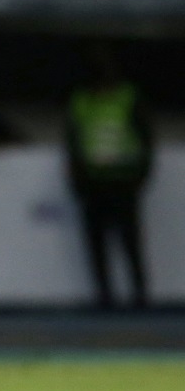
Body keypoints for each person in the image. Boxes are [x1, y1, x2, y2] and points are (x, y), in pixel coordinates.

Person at [64, 44, 153, 310]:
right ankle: (104, 296)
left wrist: (141, 174)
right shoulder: (81, 99)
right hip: (93, 182)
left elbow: (146, 137)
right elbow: (73, 140)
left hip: (123, 180)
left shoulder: (128, 96)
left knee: (130, 242)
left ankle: (139, 295)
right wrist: (78, 179)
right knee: (97, 244)